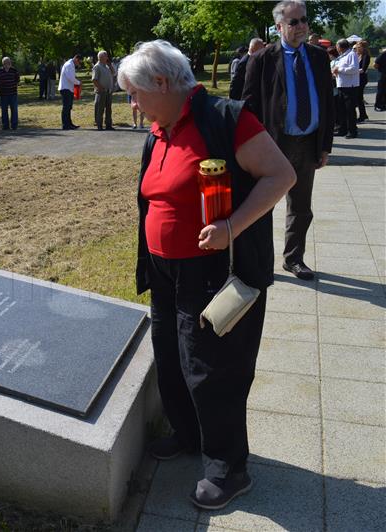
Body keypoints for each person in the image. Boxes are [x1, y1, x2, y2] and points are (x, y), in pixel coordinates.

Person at [118, 39, 297, 511]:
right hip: (163, 268)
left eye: (134, 93)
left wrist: (231, 227)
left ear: (162, 83)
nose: (131, 104)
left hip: (212, 269)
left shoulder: (226, 118)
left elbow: (281, 176)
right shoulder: (161, 126)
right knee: (171, 354)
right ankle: (189, 434)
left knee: (212, 367)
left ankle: (228, 467)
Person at [243, 0, 335, 281]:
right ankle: (257, 260)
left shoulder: (319, 58)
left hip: (307, 144)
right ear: (279, 26)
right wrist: (250, 148)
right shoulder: (262, 59)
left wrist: (325, 146)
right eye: (294, 22)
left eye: (304, 20)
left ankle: (294, 259)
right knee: (260, 205)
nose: (301, 26)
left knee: (301, 206)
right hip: (271, 145)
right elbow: (247, 106)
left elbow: (327, 104)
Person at [332, 39, 360, 139]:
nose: (336, 48)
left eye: (337, 46)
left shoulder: (352, 55)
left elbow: (354, 69)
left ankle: (352, 131)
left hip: (350, 87)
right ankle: (342, 129)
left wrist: (339, 69)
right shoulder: (342, 56)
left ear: (341, 46)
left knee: (349, 110)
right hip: (341, 85)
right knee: (341, 109)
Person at [92, 51, 115, 130]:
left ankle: (108, 125)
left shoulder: (107, 66)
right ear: (101, 57)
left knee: (109, 109)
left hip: (108, 91)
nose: (107, 58)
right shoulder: (97, 67)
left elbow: (114, 73)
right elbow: (94, 80)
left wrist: (110, 65)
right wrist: (101, 88)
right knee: (100, 109)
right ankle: (99, 125)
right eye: (106, 56)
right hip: (101, 91)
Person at [0, 57, 19, 130]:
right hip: (3, 94)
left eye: (9, 62)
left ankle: (14, 125)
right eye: (6, 62)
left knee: (14, 110)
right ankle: (5, 126)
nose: (8, 63)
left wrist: (14, 84)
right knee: (4, 110)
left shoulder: (14, 70)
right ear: (3, 63)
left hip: (13, 94)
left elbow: (17, 80)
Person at [59, 54, 82, 130]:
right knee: (66, 107)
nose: (78, 64)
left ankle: (69, 123)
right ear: (76, 59)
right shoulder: (69, 65)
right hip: (66, 88)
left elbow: (72, 77)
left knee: (69, 107)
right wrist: (78, 82)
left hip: (68, 88)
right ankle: (65, 124)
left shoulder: (71, 64)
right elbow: (70, 78)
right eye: (78, 62)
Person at [354, 41, 370, 122]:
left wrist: (352, 71)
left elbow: (363, 69)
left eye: (359, 47)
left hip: (362, 79)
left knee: (359, 98)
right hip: (357, 78)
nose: (357, 48)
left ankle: (362, 115)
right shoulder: (357, 55)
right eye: (357, 47)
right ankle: (363, 115)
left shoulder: (366, 56)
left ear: (364, 48)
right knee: (358, 98)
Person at [374, 47, 386, 112]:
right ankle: (377, 105)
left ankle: (383, 105)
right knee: (380, 91)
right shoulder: (383, 54)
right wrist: (381, 70)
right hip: (382, 75)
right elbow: (375, 64)